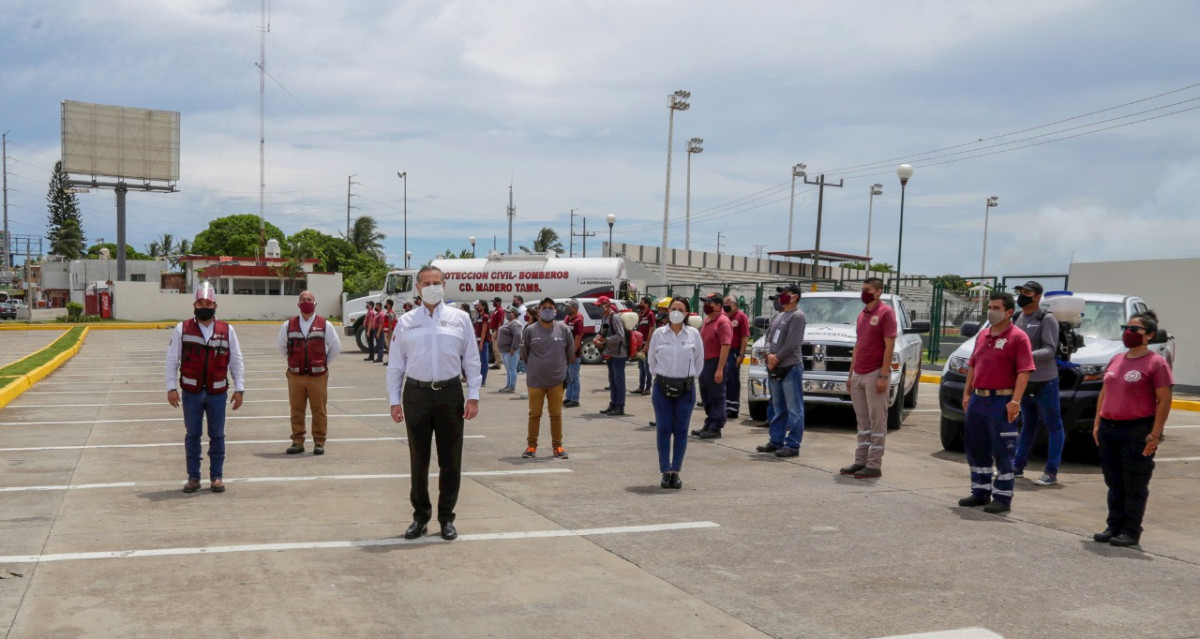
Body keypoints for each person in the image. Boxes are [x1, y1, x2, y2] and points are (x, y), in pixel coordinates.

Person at [387, 265, 482, 542]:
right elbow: (395, 364)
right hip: (416, 395)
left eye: (436, 282)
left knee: (450, 461)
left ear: (444, 284)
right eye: (426, 283)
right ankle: (420, 518)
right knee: (419, 460)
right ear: (418, 288)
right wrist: (395, 400)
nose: (431, 286)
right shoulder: (406, 322)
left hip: (449, 393)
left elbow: (472, 360)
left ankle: (446, 518)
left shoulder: (460, 319)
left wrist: (473, 396)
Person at [1092, 311, 1173, 548]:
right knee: (1113, 481)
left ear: (1148, 335)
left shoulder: (1156, 363)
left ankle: (1131, 530)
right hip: (1110, 428)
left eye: (1134, 329)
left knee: (1134, 482)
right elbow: (1105, 392)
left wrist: (1155, 433)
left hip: (1137, 430)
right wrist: (1098, 423)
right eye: (1126, 328)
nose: (1128, 333)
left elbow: (1164, 400)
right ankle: (1113, 525)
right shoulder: (1117, 359)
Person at [958, 292, 1035, 514]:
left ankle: (1002, 495)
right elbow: (973, 365)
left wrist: (1015, 401)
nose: (991, 311)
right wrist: (967, 393)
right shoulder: (983, 335)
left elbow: (1024, 371)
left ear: (1008, 312)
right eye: (989, 307)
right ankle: (980, 490)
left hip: (1002, 400)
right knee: (976, 446)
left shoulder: (1018, 337)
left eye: (995, 307)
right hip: (978, 399)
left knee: (1003, 448)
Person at [164, 282, 245, 493]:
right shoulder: (183, 328)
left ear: (215, 305)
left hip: (217, 392)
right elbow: (172, 359)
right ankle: (193, 477)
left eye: (208, 302)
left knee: (217, 435)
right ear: (194, 304)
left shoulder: (227, 330)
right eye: (201, 302)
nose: (204, 306)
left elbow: (236, 360)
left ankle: (216, 477)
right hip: (191, 392)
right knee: (192, 435)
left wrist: (240, 388)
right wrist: (171, 387)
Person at [841, 278, 896, 479]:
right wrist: (850, 374)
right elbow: (858, 345)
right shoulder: (861, 315)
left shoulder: (885, 313)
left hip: (875, 373)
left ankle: (874, 464)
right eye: (862, 289)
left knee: (877, 420)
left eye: (868, 290)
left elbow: (889, 345)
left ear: (879, 292)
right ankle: (860, 460)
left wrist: (883, 374)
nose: (864, 293)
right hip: (859, 373)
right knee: (862, 420)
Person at [1011, 281, 1066, 486]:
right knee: (1027, 425)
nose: (1022, 295)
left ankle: (1051, 471)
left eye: (1027, 292)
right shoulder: (1018, 318)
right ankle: (1017, 466)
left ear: (1037, 296)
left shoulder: (1046, 318)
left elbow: (1050, 350)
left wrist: (1024, 356)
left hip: (1045, 381)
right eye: (1021, 292)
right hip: (1025, 381)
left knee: (1054, 425)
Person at [649, 298, 704, 490]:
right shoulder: (659, 333)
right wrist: (663, 377)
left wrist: (687, 379)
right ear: (668, 311)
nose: (676, 312)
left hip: (685, 389)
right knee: (663, 429)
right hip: (662, 387)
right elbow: (651, 362)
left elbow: (699, 362)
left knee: (681, 431)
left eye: (681, 309)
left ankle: (676, 472)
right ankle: (665, 471)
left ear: (687, 313)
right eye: (673, 308)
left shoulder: (693, 334)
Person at [278, 290, 342, 455]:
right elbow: (282, 347)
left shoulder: (325, 324)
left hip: (318, 376)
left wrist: (323, 363)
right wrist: (295, 362)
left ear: (315, 303)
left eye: (310, 299)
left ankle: (319, 442)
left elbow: (335, 347)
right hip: (295, 376)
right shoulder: (288, 325)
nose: (307, 301)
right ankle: (297, 442)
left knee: (319, 410)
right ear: (298, 305)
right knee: (296, 410)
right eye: (303, 299)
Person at [520, 298, 575, 459]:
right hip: (536, 381)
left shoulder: (563, 329)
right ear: (539, 311)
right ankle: (531, 447)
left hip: (556, 381)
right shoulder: (530, 330)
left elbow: (570, 353)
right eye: (544, 308)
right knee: (534, 415)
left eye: (550, 308)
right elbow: (524, 354)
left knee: (556, 415)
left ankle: (557, 447)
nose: (547, 310)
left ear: (555, 311)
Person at [757, 284, 807, 458]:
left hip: (790, 367)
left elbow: (792, 343)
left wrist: (776, 358)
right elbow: (769, 337)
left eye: (785, 294)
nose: (781, 297)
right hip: (775, 366)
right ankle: (776, 440)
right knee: (779, 407)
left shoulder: (797, 316)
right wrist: (769, 354)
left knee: (794, 408)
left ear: (794, 296)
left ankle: (793, 444)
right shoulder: (779, 316)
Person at [693, 293, 732, 439]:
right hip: (704, 363)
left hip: (715, 362)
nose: (706, 306)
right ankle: (709, 422)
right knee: (706, 396)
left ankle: (716, 426)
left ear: (718, 305)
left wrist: (720, 369)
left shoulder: (723, 321)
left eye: (709, 303)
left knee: (717, 396)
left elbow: (725, 346)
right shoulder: (709, 320)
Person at [594, 296, 627, 416]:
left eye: (599, 305)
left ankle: (620, 406)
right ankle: (613, 404)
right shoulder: (605, 317)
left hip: (618, 355)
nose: (598, 308)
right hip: (610, 353)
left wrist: (605, 341)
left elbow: (620, 336)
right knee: (612, 381)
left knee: (619, 382)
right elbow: (601, 332)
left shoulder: (615, 317)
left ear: (607, 305)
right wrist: (596, 339)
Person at [724, 295, 750, 419]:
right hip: (724, 351)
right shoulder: (724, 316)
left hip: (734, 351)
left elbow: (745, 336)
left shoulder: (741, 316)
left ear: (734, 304)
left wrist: (741, 354)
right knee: (724, 378)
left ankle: (733, 407)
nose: (725, 305)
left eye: (727, 303)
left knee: (732, 378)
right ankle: (725, 405)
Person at [563, 299, 585, 408]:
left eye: (569, 306)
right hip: (566, 352)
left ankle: (575, 399)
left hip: (573, 354)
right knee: (568, 376)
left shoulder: (578, 320)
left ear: (574, 308)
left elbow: (578, 337)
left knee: (574, 376)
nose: (566, 308)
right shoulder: (567, 318)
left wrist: (573, 353)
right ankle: (569, 397)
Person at [496, 306, 523, 393]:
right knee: (508, 369)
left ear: (514, 314)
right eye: (506, 312)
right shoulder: (508, 323)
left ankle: (512, 386)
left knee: (512, 369)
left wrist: (513, 348)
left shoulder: (515, 323)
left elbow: (517, 335)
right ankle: (508, 385)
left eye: (509, 312)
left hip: (510, 350)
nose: (507, 314)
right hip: (504, 350)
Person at [632, 296, 656, 395]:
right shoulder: (641, 315)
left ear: (647, 304)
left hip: (647, 344)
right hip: (640, 344)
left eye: (642, 303)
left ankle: (648, 387)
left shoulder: (650, 315)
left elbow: (651, 330)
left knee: (647, 367)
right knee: (641, 366)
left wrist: (648, 345)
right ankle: (641, 387)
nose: (640, 305)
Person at [474, 300, 492, 387]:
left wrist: (481, 343)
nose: (477, 307)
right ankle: (479, 379)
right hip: (478, 341)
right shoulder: (479, 316)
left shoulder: (485, 316)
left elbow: (484, 331)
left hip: (483, 342)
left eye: (479, 305)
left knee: (484, 362)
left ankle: (483, 380)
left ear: (484, 306)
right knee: (479, 362)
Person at [489, 297, 505, 370]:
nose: (493, 303)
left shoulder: (500, 310)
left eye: (494, 302)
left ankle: (498, 364)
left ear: (498, 302)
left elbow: (501, 322)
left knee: (496, 348)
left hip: (496, 330)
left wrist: (498, 332)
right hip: (493, 330)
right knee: (494, 348)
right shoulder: (496, 310)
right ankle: (496, 362)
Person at [380, 299, 397, 364]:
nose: (385, 305)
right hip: (387, 332)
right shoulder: (388, 313)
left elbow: (391, 323)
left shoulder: (390, 313)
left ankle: (391, 361)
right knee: (388, 347)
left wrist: (389, 333)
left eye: (386, 303)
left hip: (389, 332)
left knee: (390, 347)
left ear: (389, 305)